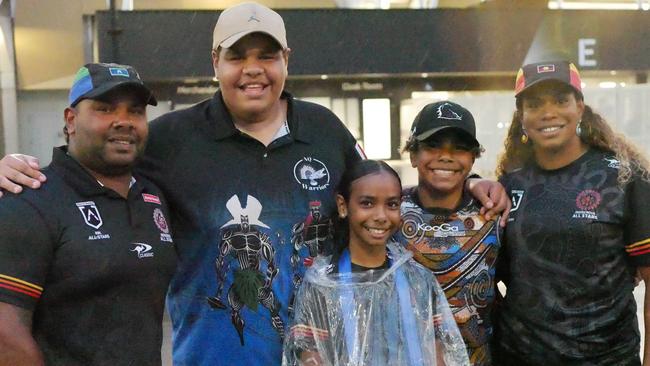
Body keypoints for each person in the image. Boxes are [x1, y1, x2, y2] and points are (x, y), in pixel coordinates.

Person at [0, 2, 509, 364]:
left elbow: (382, 200)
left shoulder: (324, 130)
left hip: (321, 350)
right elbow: (98, 169)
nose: (253, 71)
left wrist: (473, 186)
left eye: (267, 56)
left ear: (286, 60)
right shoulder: (170, 137)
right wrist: (16, 171)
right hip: (214, 356)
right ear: (215, 64)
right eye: (237, 56)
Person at [0, 63, 177, 365]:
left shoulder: (152, 196)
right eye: (105, 109)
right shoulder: (30, 200)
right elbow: (6, 337)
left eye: (135, 111)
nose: (123, 121)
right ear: (70, 120)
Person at [493, 60, 650, 365]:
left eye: (561, 100)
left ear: (579, 106)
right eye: (535, 103)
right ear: (521, 117)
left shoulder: (626, 179)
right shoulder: (508, 185)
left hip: (607, 359)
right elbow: (486, 280)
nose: (548, 112)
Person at [283, 159, 469, 366]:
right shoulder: (321, 286)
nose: (381, 216)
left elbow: (438, 352)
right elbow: (309, 355)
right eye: (367, 203)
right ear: (343, 206)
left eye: (391, 204)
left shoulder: (418, 281)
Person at [395, 101, 501, 366]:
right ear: (412, 154)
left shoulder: (492, 213)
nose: (446, 156)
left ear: (473, 157)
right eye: (433, 146)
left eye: (460, 148)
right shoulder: (390, 210)